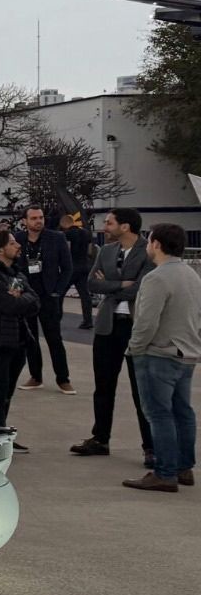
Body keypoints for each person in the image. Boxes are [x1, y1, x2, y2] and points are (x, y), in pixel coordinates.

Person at [121, 222, 200, 491]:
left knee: (159, 413)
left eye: (149, 240)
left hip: (159, 353)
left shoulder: (156, 278)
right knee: (183, 411)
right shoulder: (191, 275)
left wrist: (134, 348)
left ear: (156, 244)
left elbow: (146, 322)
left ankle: (164, 472)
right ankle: (184, 467)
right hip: (186, 353)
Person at [70, 208, 153, 461]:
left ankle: (150, 446)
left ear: (125, 226)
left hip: (136, 327)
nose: (104, 226)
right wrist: (121, 284)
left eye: (109, 222)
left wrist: (110, 285)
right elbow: (91, 283)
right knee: (103, 385)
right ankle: (100, 439)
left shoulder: (148, 251)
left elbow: (141, 288)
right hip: (108, 326)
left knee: (142, 390)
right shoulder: (106, 251)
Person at [0, 229, 39, 449]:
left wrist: (21, 298)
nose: (18, 245)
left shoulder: (15, 274)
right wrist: (20, 299)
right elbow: (8, 304)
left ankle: (1, 432)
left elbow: (35, 301)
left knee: (7, 393)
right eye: (12, 243)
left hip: (18, 341)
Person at [13, 206, 74, 394]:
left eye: (40, 217)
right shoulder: (17, 239)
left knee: (54, 338)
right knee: (30, 338)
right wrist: (16, 289)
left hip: (49, 295)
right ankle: (35, 376)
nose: (38, 221)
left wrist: (58, 291)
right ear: (24, 221)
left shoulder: (56, 238)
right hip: (26, 296)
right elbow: (13, 267)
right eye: (33, 218)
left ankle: (63, 378)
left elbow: (67, 268)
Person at [60, 211, 96, 329]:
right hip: (84, 266)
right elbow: (90, 251)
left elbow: (67, 251)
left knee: (60, 293)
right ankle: (88, 320)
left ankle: (56, 317)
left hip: (71, 268)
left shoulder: (67, 234)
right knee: (85, 295)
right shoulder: (86, 233)